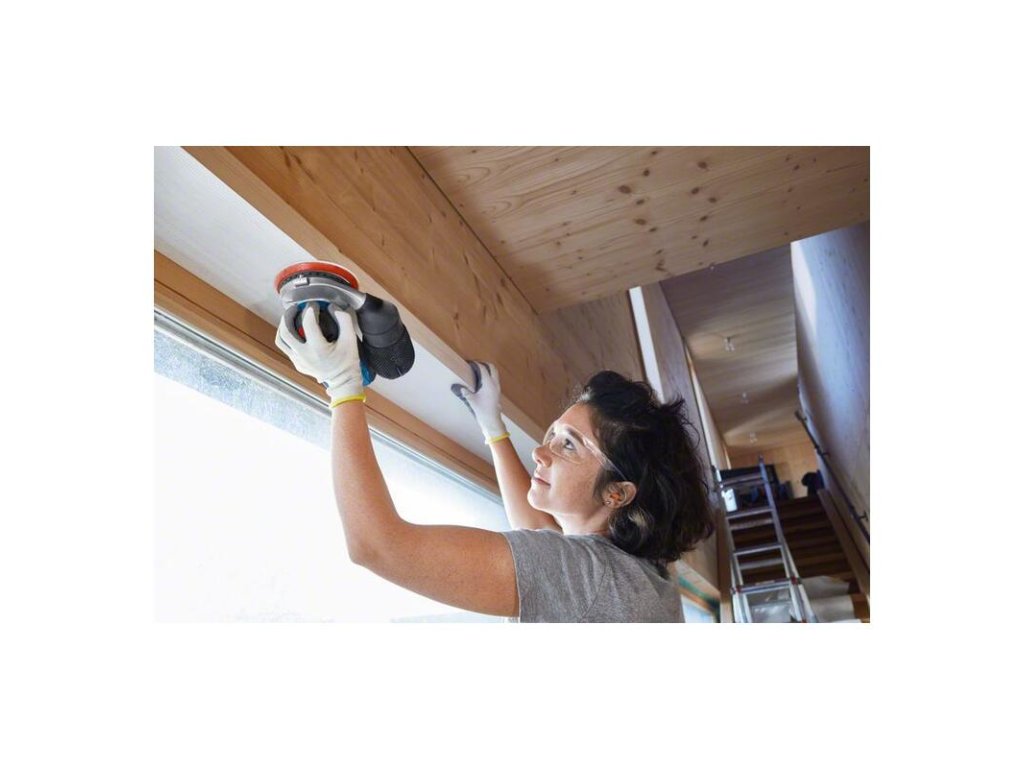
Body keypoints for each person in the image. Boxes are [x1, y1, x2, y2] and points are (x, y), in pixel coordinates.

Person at [275, 303, 716, 622]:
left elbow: (379, 547)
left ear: (617, 493)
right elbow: (541, 538)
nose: (540, 452)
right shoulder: (641, 574)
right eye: (552, 434)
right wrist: (494, 429)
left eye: (569, 446)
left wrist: (343, 387)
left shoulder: (592, 579)